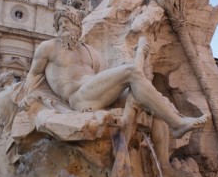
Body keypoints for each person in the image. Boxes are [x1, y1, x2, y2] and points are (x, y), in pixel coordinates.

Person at [25, 8, 208, 139]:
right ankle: (177, 124)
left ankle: (165, 165)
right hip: (78, 98)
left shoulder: (90, 52)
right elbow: (33, 76)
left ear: (77, 26)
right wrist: (31, 100)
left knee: (153, 104)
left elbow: (104, 79)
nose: (63, 27)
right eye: (60, 24)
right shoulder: (48, 48)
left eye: (67, 23)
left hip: (97, 93)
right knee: (131, 71)